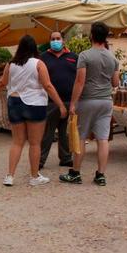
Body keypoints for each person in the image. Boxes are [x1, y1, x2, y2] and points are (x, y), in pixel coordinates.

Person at [0, 35, 66, 187]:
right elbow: (48, 85)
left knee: (17, 142)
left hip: (14, 103)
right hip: (34, 104)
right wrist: (60, 105)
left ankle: (10, 176)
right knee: (35, 143)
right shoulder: (38, 64)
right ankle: (34, 176)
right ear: (34, 48)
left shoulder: (11, 64)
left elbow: (2, 83)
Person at [60, 22, 120, 186]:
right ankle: (100, 175)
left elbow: (79, 82)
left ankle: (76, 173)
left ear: (91, 35)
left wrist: (73, 104)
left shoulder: (85, 56)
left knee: (81, 136)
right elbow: (115, 83)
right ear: (106, 36)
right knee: (103, 139)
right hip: (106, 102)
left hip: (87, 101)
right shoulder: (112, 57)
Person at [39, 32, 78, 169]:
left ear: (63, 41)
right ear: (49, 41)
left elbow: (79, 79)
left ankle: (66, 158)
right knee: (46, 133)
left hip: (69, 101)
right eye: (52, 39)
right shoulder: (42, 58)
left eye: (58, 39)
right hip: (50, 102)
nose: (55, 41)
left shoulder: (73, 57)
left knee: (65, 132)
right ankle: (40, 160)